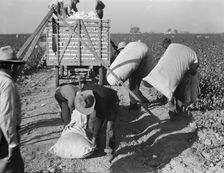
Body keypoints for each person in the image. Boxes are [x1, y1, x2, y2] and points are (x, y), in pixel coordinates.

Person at [143, 41, 200, 120]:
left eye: (164, 46)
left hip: (175, 74)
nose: (163, 48)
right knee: (178, 93)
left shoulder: (171, 50)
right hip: (181, 73)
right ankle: (178, 112)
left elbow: (193, 69)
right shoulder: (179, 50)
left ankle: (173, 111)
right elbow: (193, 70)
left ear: (166, 45)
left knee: (170, 92)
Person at [107, 40, 155, 111]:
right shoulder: (126, 54)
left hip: (137, 72)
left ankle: (142, 102)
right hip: (135, 71)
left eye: (120, 50)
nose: (120, 51)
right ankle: (134, 104)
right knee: (133, 88)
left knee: (133, 89)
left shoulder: (129, 54)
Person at [75, 83, 119, 155]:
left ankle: (110, 149)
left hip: (112, 101)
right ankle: (96, 146)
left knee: (109, 126)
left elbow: (99, 120)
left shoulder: (101, 103)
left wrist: (94, 137)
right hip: (101, 98)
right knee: (91, 123)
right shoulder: (85, 90)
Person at [0, 46, 25, 173]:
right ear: (11, 67)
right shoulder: (6, 83)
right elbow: (6, 115)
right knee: (13, 168)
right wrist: (12, 143)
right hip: (3, 135)